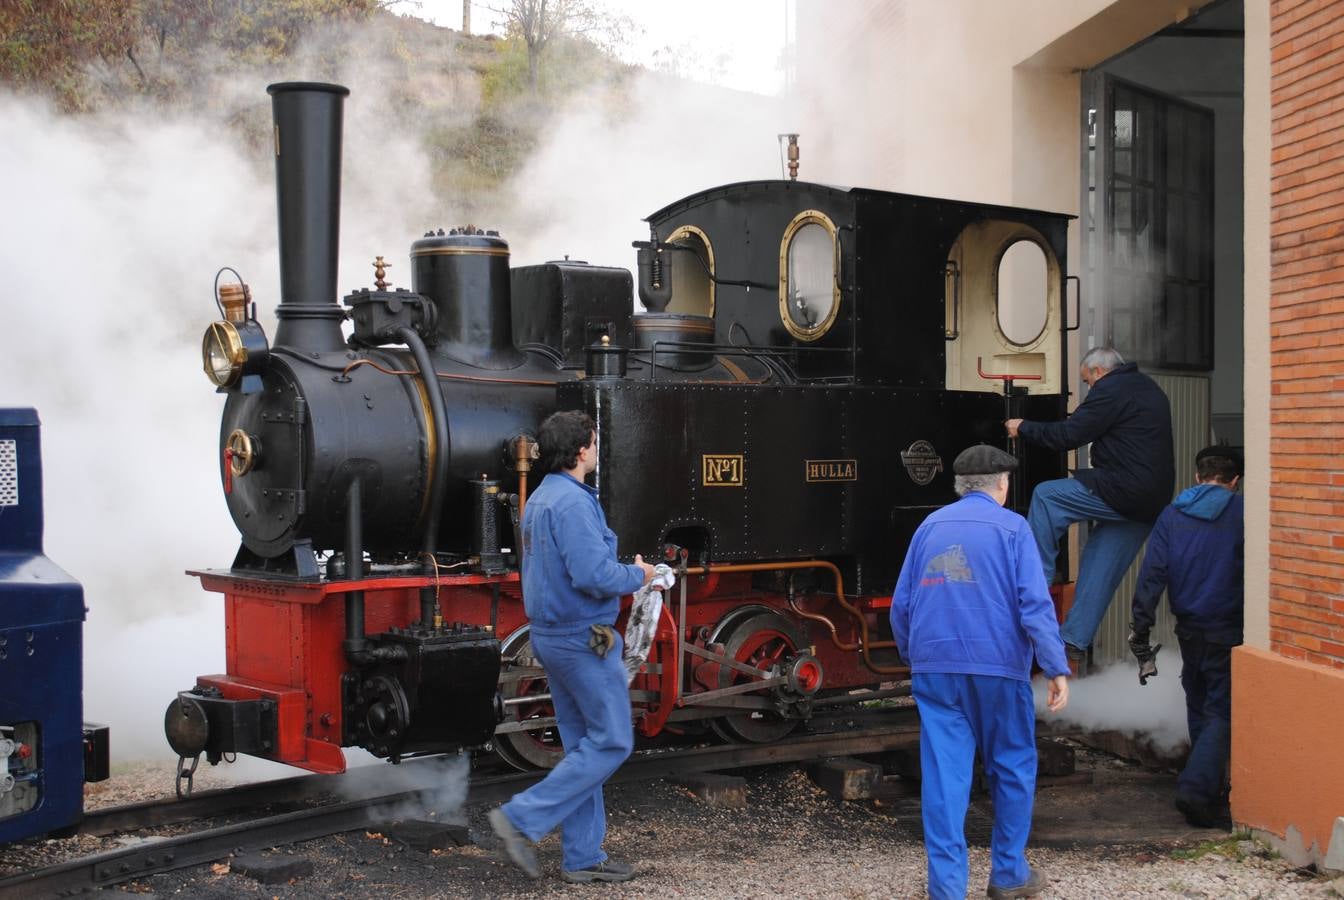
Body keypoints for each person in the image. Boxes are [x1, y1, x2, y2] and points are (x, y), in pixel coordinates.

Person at [890, 444, 1071, 900]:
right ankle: (1008, 874)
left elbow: (902, 605)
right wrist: (1054, 666)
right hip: (996, 669)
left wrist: (916, 657)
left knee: (945, 776)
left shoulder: (929, 526)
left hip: (936, 669)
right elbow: (1034, 604)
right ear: (1002, 485)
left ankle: (947, 889)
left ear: (959, 486)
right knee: (1011, 766)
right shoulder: (1013, 528)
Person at [487, 410, 656, 884]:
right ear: (581, 450)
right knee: (613, 740)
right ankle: (520, 818)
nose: (597, 449)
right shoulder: (574, 504)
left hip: (552, 636)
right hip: (586, 638)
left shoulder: (542, 498)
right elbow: (593, 575)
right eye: (595, 443)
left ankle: (582, 856)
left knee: (583, 745)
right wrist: (639, 575)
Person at [1004, 346, 1174, 664]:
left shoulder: (1111, 388)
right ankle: (1074, 640)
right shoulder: (1148, 388)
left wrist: (1023, 427)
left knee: (1047, 495)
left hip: (1125, 490)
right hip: (1149, 501)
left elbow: (1070, 434)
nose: (1089, 388)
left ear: (1098, 371)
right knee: (1099, 566)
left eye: (1087, 381)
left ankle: (1033, 581)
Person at [1128, 445, 1243, 829]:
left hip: (1189, 629)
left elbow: (1152, 575)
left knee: (1199, 703)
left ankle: (1206, 788)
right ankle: (1197, 791)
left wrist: (1140, 631)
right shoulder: (1243, 512)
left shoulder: (1173, 514)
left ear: (1197, 477)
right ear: (1235, 481)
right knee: (1221, 712)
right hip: (1229, 629)